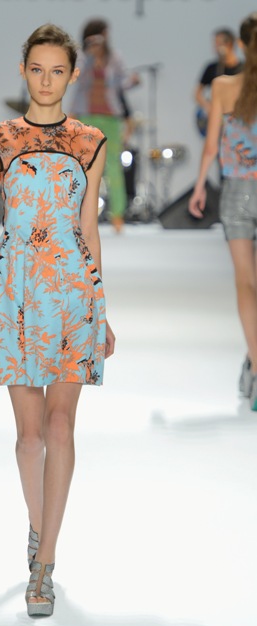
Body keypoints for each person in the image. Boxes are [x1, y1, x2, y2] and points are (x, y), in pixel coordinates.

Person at [0, 24, 115, 616]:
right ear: (23, 70)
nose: (46, 80)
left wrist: (103, 310)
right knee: (29, 438)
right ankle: (38, 529)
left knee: (60, 428)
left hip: (72, 295)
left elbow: (88, 231)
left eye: (57, 71)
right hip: (15, 293)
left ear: (72, 75)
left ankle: (45, 565)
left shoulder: (90, 142)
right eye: (37, 69)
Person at [189, 13, 257, 411]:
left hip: (236, 192)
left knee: (246, 283)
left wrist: (200, 186)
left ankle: (256, 365)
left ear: (242, 45)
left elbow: (212, 146)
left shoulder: (223, 86)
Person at [69, 18, 139, 233]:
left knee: (113, 166)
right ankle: (79, 215)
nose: (103, 40)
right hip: (86, 116)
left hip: (111, 118)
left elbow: (121, 83)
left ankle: (117, 215)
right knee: (83, 166)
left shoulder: (114, 57)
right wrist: (90, 57)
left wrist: (132, 81)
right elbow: (76, 80)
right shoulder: (82, 58)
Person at [194, 28, 243, 137]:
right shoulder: (212, 68)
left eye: (217, 43)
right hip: (216, 121)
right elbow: (197, 94)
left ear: (229, 44)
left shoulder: (243, 69)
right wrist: (208, 108)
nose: (215, 47)